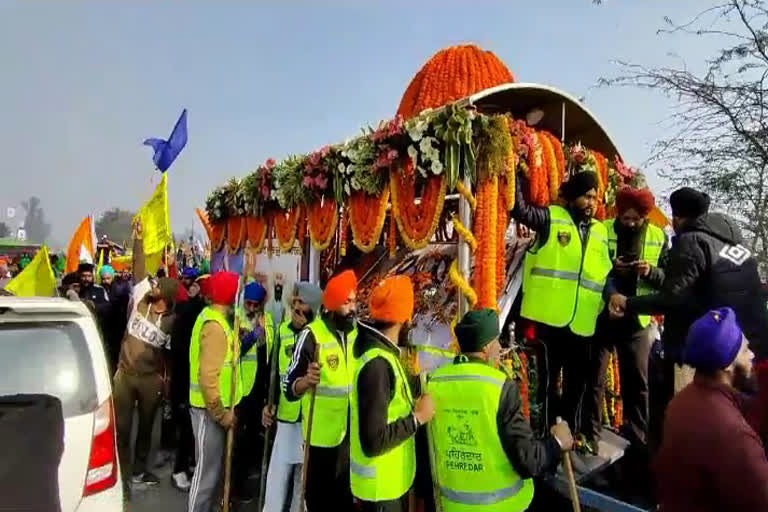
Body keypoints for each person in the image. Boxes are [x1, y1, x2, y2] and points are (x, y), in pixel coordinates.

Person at [610, 187, 768, 446]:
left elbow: (675, 298)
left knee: (678, 415)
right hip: (748, 352)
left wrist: (627, 303)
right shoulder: (735, 244)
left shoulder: (692, 241)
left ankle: (660, 471)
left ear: (677, 217)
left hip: (707, 352)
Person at [427, 309, 573, 512]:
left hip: (453, 505)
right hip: (500, 505)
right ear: (486, 347)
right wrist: (557, 442)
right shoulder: (499, 386)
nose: (500, 347)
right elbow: (528, 461)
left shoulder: (435, 382)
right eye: (496, 341)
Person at [511, 170, 612, 433]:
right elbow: (519, 209)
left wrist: (613, 297)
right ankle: (547, 436)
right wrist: (518, 170)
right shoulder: (550, 218)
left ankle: (571, 435)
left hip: (583, 324)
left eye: (595, 197)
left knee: (576, 387)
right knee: (547, 387)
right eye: (586, 196)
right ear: (573, 196)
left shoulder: (600, 231)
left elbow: (604, 273)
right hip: (548, 323)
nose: (592, 202)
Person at [655, 307, 768, 511]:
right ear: (726, 365)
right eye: (744, 350)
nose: (752, 355)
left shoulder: (680, 402)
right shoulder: (736, 436)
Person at [589, 187, 668, 449]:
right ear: (618, 214)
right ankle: (590, 435)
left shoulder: (658, 236)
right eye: (626, 218)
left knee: (637, 382)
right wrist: (612, 277)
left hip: (637, 321)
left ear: (646, 216)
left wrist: (649, 272)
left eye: (637, 219)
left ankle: (638, 440)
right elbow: (592, 270)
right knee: (594, 378)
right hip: (602, 314)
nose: (631, 223)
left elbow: (669, 280)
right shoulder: (602, 230)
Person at [349, 275, 433, 512]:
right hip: (379, 493)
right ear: (405, 318)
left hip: (387, 487)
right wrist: (418, 418)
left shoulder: (385, 356)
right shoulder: (377, 365)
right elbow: (374, 441)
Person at [113, 220, 180, 494]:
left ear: (165, 294)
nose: (152, 284)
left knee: (145, 430)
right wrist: (138, 239)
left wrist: (167, 383)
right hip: (125, 376)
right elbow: (139, 269)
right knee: (122, 427)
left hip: (151, 380)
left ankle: (139, 471)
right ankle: (121, 475)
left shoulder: (173, 322)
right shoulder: (141, 301)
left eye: (157, 284)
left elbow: (171, 357)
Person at [284, 269, 358, 512]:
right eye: (347, 302)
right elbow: (289, 386)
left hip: (349, 439)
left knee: (345, 502)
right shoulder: (311, 335)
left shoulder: (357, 334)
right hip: (320, 441)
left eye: (354, 301)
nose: (352, 308)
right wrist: (306, 381)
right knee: (319, 501)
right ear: (334, 303)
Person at [261, 282, 322, 512]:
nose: (296, 308)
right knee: (278, 476)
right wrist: (268, 404)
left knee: (303, 482)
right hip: (286, 416)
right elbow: (272, 372)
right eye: (294, 302)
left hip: (310, 421)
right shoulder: (283, 331)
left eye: (302, 303)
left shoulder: (319, 335)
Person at [188, 271, 243, 512]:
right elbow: (208, 377)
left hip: (214, 408)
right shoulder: (215, 327)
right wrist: (222, 414)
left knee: (212, 472)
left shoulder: (218, 320)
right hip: (208, 410)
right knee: (206, 475)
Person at [232, 280, 274, 502]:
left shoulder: (267, 321)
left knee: (251, 437)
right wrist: (252, 335)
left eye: (255, 304)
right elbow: (235, 351)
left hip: (259, 388)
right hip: (241, 388)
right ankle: (234, 487)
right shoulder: (237, 319)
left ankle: (247, 477)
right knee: (238, 439)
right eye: (248, 303)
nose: (251, 307)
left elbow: (270, 350)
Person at [168, 275, 209, 492]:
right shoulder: (192, 313)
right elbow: (182, 351)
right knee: (186, 429)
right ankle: (178, 470)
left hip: (187, 381)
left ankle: (188, 466)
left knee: (191, 430)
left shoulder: (195, 311)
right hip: (185, 382)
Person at [100, 264, 131, 373]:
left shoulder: (120, 290)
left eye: (108, 278)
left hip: (117, 327)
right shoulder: (99, 290)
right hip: (104, 328)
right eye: (103, 279)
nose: (105, 281)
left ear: (112, 277)